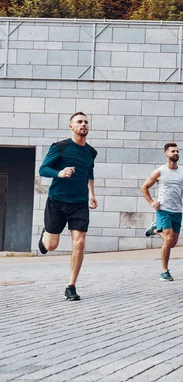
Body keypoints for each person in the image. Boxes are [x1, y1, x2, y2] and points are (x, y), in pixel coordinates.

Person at [38, 111, 98, 301]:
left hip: (79, 204)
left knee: (79, 242)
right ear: (71, 126)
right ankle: (45, 234)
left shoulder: (90, 152)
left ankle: (71, 286)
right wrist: (60, 173)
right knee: (51, 245)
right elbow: (43, 169)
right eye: (79, 122)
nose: (83, 124)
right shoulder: (60, 147)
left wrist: (92, 194)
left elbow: (89, 173)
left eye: (86, 122)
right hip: (57, 201)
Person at [141, 143, 183, 281]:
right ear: (166, 153)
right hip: (163, 210)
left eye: (177, 151)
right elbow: (144, 187)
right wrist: (152, 202)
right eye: (173, 151)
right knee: (169, 238)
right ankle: (164, 271)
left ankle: (155, 230)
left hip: (177, 211)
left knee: (172, 243)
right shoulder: (159, 172)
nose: (176, 153)